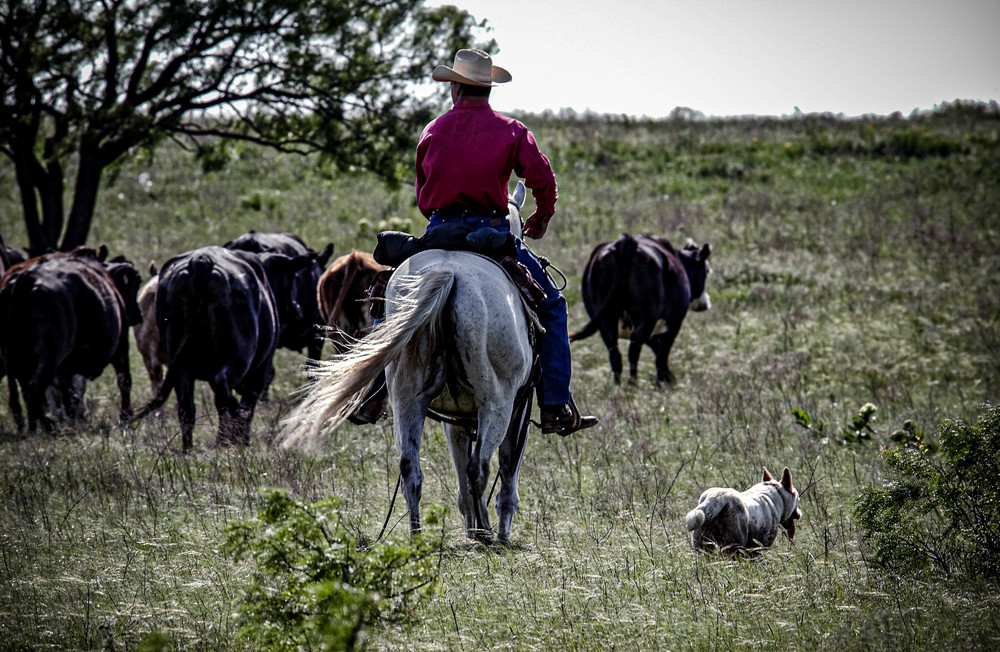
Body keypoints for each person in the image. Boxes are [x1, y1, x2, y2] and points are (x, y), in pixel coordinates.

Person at [354, 48, 597, 436]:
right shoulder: (513, 131)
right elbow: (542, 179)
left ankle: (373, 392)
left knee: (389, 298)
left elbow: (423, 196)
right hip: (491, 235)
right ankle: (555, 405)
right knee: (552, 305)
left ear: (455, 87)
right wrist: (541, 216)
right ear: (487, 89)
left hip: (439, 231)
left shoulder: (432, 131)